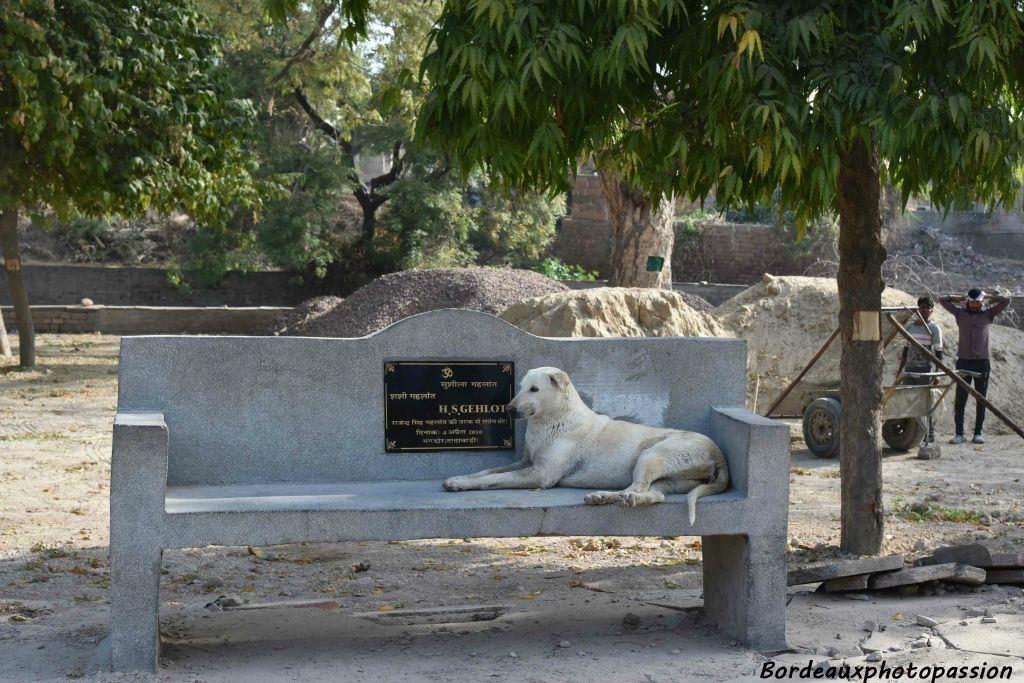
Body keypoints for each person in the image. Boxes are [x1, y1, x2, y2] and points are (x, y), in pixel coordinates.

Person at [939, 288, 1011, 444]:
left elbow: (1006, 301)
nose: (974, 304)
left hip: (982, 362)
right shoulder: (960, 314)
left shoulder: (988, 314)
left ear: (981, 302)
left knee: (981, 399)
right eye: (971, 301)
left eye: (977, 302)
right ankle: (959, 434)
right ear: (968, 301)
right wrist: (960, 297)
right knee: (961, 399)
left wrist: (988, 297)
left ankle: (978, 433)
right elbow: (942, 299)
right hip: (964, 361)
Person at [894, 296, 943, 444]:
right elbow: (905, 349)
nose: (924, 310)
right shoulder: (910, 328)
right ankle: (912, 434)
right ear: (917, 309)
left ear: (932, 310)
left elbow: (939, 352)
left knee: (925, 403)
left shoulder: (934, 328)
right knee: (908, 400)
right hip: (910, 369)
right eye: (922, 307)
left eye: (928, 308)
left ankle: (930, 433)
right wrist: (900, 370)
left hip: (925, 371)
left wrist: (936, 373)